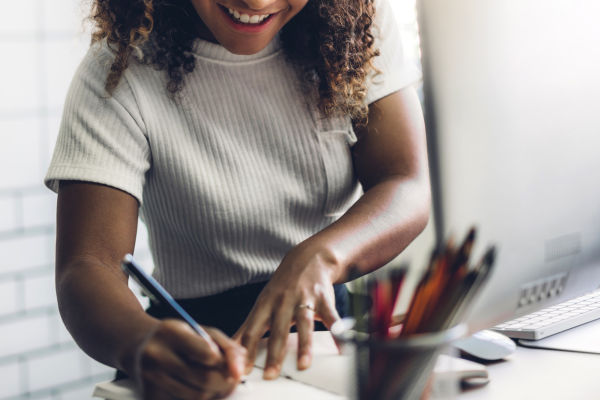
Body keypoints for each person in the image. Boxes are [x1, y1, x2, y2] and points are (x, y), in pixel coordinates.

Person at [45, 0, 430, 398]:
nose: (257, 2)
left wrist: (323, 256)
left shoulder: (356, 25)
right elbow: (87, 266)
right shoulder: (119, 68)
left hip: (328, 345)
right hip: (193, 347)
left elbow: (405, 181)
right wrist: (141, 343)